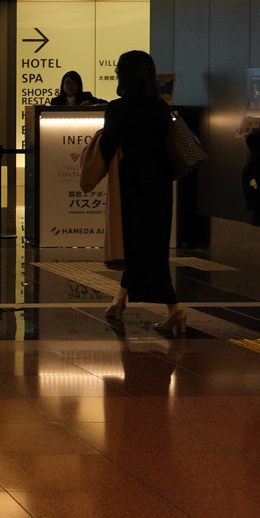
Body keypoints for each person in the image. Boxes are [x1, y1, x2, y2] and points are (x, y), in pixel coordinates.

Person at [97, 50, 185, 332]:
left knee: (138, 249)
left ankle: (175, 309)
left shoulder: (117, 108)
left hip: (131, 187)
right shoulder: (160, 108)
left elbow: (107, 147)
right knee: (151, 247)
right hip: (160, 186)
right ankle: (119, 300)